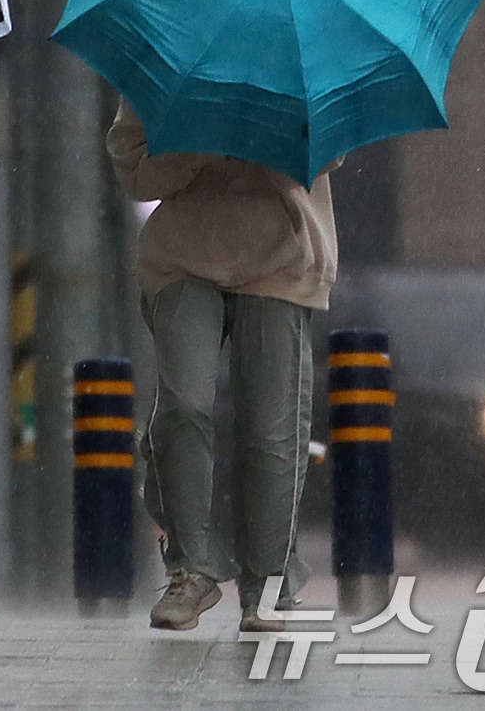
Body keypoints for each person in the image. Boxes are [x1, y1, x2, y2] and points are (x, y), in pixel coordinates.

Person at [106, 98, 339, 634]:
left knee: (272, 427)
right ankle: (190, 567)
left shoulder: (300, 56)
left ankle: (268, 584)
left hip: (281, 259)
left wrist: (263, 130)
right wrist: (199, 143)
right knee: (184, 403)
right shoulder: (170, 57)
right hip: (182, 258)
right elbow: (135, 173)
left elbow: (328, 154)